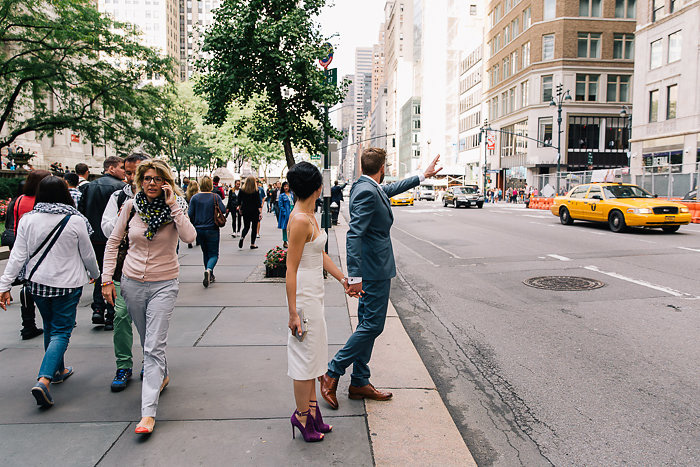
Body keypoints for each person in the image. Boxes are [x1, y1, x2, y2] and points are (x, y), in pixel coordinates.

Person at [319, 148, 441, 410]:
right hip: (373, 272)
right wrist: (354, 277)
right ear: (382, 167)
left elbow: (392, 189)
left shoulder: (368, 187)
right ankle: (332, 371)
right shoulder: (366, 191)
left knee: (367, 324)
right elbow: (354, 235)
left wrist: (422, 175)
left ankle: (359, 382)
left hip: (375, 270)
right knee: (372, 326)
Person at [102, 159, 196, 435]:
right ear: (139, 181)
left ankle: (147, 414)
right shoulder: (131, 207)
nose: (152, 183)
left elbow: (190, 237)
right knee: (147, 340)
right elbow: (113, 242)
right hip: (131, 283)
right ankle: (162, 375)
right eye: (147, 178)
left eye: (157, 179)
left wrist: (173, 204)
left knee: (153, 347)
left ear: (166, 182)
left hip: (164, 284)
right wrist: (107, 279)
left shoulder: (175, 208)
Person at [0, 176, 100, 409]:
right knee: (62, 331)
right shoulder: (75, 220)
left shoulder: (27, 220)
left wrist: (4, 285)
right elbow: (87, 253)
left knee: (50, 325)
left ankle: (58, 371)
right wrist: (97, 273)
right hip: (67, 283)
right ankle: (44, 379)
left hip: (37, 282)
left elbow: (18, 256)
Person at [285, 162, 349, 442]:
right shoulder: (300, 219)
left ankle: (312, 412)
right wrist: (292, 313)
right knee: (303, 360)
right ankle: (301, 416)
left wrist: (342, 279)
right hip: (304, 298)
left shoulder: (310, 216)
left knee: (313, 357)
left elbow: (319, 253)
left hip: (315, 294)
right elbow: (291, 267)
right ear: (317, 187)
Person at [100, 152, 150, 392]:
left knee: (150, 321)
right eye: (128, 172)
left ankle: (150, 361)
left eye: (136, 172)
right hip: (123, 269)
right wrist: (125, 215)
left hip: (152, 271)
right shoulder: (119, 197)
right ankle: (123, 365)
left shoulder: (162, 197)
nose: (132, 177)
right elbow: (107, 230)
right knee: (121, 317)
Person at [78, 156, 126, 331]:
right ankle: (110, 313)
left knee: (99, 274)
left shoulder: (90, 186)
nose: (124, 172)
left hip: (94, 237)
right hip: (113, 237)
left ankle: (98, 307)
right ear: (111, 168)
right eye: (121, 168)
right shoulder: (120, 189)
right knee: (112, 273)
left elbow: (81, 211)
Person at [5, 170, 52, 340]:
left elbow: (11, 222)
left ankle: (28, 323)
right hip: (41, 247)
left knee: (26, 284)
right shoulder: (43, 202)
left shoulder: (19, 200)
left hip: (20, 243)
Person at [188, 175, 227, 288]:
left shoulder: (195, 198)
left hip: (199, 229)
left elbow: (190, 214)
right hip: (212, 229)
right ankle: (209, 270)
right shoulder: (215, 197)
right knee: (214, 254)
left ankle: (209, 273)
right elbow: (223, 210)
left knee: (205, 252)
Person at [238, 176, 262, 249]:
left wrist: (240, 209)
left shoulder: (242, 190)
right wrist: (260, 212)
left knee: (246, 226)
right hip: (254, 211)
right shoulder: (256, 190)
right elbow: (258, 202)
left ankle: (242, 237)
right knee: (254, 228)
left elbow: (239, 200)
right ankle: (252, 244)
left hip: (245, 210)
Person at [277, 181, 293, 248]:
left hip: (292, 212)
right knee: (285, 228)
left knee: (292, 227)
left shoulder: (292, 194)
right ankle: (285, 241)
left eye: (287, 186)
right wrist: (285, 212)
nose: (286, 187)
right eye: (285, 186)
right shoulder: (281, 195)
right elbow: (280, 205)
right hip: (285, 214)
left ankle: (291, 241)